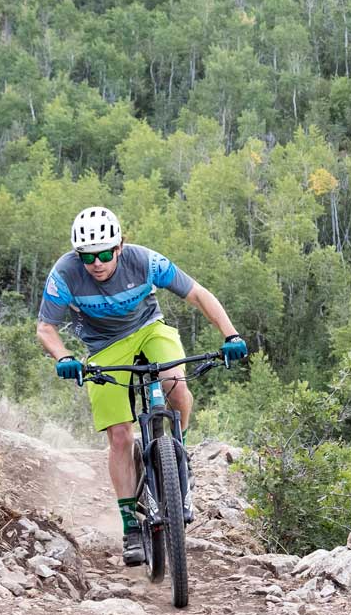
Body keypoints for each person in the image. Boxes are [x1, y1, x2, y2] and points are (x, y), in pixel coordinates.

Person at [36, 206, 248, 567]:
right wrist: (63, 357)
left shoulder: (146, 262)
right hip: (103, 347)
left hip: (150, 329)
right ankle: (130, 526)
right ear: (78, 255)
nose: (97, 263)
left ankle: (176, 451)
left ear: (119, 246)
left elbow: (197, 293)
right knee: (120, 436)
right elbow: (46, 327)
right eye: (88, 257)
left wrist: (230, 333)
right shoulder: (65, 274)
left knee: (176, 385)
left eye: (104, 254)